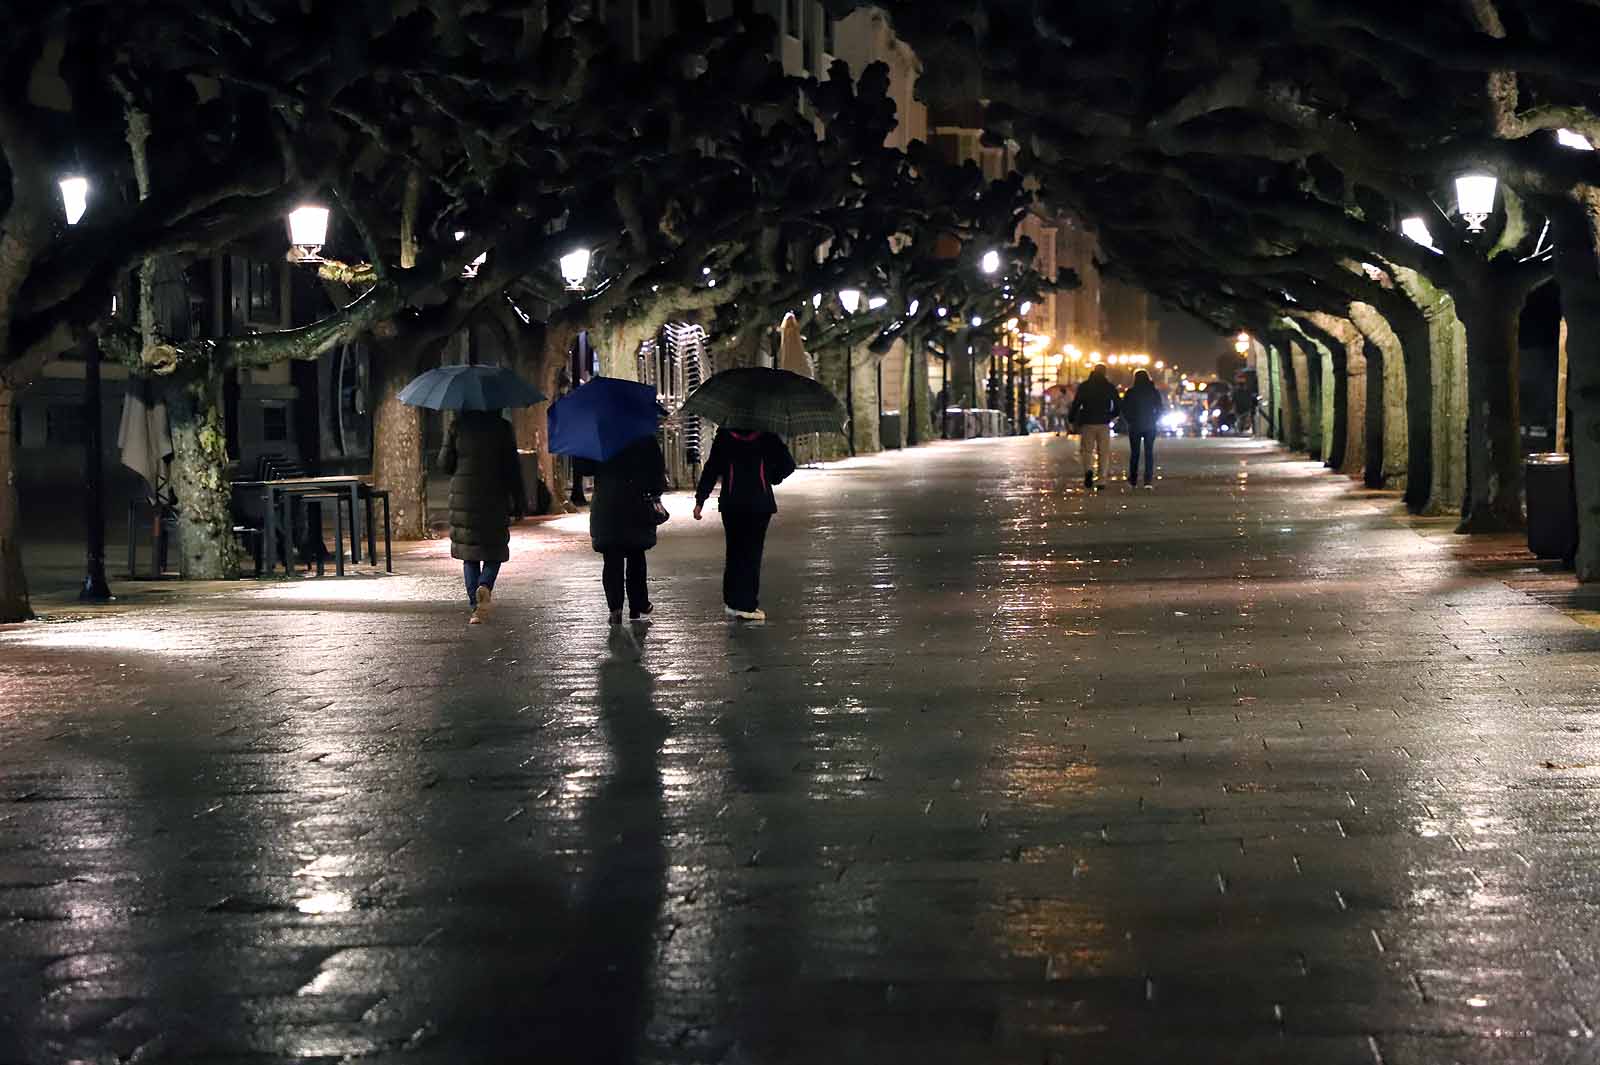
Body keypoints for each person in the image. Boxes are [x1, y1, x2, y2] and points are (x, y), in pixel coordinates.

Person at [693, 427, 796, 621]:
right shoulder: (768, 434)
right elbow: (788, 465)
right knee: (752, 553)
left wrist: (700, 500)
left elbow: (712, 468)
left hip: (732, 503)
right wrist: (771, 477)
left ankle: (732, 601)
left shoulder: (724, 435)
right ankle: (747, 604)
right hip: (760, 503)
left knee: (734, 551)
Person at [439, 409, 527, 624]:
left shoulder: (457, 426)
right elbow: (512, 468)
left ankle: (475, 607)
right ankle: (485, 585)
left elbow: (444, 464)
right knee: (494, 549)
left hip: (464, 497)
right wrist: (519, 501)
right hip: (494, 496)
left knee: (469, 554)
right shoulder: (502, 427)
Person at [575, 435, 668, 625]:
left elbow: (585, 468)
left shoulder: (600, 436)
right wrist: (655, 493)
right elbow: (657, 471)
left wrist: (582, 446)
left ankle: (615, 607)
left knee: (612, 558)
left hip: (607, 504)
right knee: (636, 554)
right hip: (637, 503)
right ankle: (638, 603)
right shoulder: (644, 436)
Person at [1067, 363, 1120, 490]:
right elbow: (1117, 403)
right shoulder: (1109, 386)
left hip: (1087, 422)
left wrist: (1072, 418)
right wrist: (1112, 415)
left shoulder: (1085, 386)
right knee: (1103, 452)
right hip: (1103, 422)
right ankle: (1101, 479)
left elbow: (1077, 403)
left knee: (1086, 450)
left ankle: (1088, 470)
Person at [1119, 369, 1165, 488]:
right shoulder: (1153, 391)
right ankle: (1148, 480)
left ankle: (1133, 480)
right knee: (1149, 453)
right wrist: (1155, 419)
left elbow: (1124, 408)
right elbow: (1160, 408)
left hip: (1135, 425)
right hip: (1150, 425)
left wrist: (1130, 420)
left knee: (1135, 453)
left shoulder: (1131, 392)